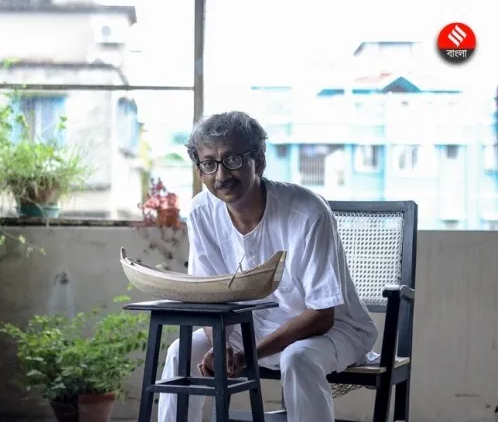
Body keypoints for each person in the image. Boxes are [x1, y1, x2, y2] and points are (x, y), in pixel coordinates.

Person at [157, 111, 379, 422]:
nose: (221, 175)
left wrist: (248, 353)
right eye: (209, 163)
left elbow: (321, 314)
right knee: (180, 353)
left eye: (233, 160)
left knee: (298, 358)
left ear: (258, 161)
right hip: (246, 329)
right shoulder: (201, 212)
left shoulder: (306, 211)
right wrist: (222, 348)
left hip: (330, 330)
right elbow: (208, 298)